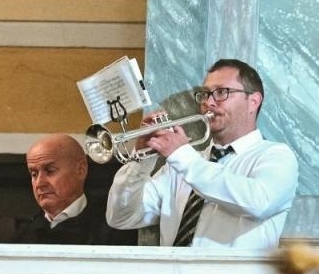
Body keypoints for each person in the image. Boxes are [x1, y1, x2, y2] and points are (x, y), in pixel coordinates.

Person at [106, 58, 298, 249]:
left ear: (253, 101)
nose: (209, 102)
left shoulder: (276, 156)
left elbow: (258, 203)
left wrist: (182, 156)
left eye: (222, 92)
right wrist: (141, 160)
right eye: (205, 94)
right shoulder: (182, 164)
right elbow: (121, 218)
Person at [17, 134, 137, 245]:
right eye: (34, 174)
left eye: (50, 171)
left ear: (81, 170)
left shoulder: (113, 225)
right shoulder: (23, 235)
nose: (39, 183)